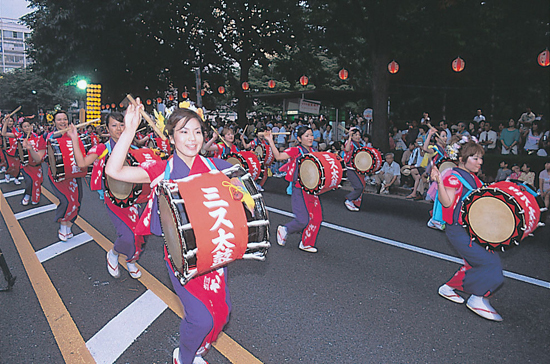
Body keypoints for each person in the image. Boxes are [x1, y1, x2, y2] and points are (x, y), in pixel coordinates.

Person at [105, 101, 234, 364]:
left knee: (221, 313)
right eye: (184, 131)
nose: (192, 138)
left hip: (215, 252)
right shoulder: (161, 169)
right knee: (200, 319)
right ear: (172, 136)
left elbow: (242, 188)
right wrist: (129, 130)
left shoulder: (216, 166)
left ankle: (197, 348)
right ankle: (183, 358)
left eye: (197, 131)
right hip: (181, 257)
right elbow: (114, 171)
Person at [431, 140, 504, 321]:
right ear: (462, 159)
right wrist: (439, 182)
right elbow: (447, 202)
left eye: (481, 158)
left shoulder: (474, 178)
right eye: (475, 158)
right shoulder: (453, 177)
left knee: (477, 263)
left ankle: (448, 288)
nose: (480, 162)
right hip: (458, 230)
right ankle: (477, 297)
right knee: (490, 263)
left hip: (471, 230)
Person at [67, 112, 144, 279]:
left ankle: (131, 260)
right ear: (107, 128)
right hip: (113, 199)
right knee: (127, 235)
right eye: (114, 125)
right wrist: (74, 138)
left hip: (133, 199)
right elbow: (82, 163)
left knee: (139, 234)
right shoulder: (103, 148)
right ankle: (114, 253)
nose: (118, 129)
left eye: (121, 125)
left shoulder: (134, 149)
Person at [264, 126, 321, 253]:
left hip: (311, 189)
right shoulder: (296, 150)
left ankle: (306, 243)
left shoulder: (314, 151)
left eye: (311, 135)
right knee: (302, 220)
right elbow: (278, 157)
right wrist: (270, 140)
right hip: (299, 189)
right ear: (299, 139)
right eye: (306, 135)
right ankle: (285, 229)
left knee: (316, 218)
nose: (310, 138)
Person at [33, 111, 84, 241]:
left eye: (65, 119)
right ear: (54, 122)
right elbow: (39, 157)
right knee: (66, 201)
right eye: (59, 119)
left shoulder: (74, 135)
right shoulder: (47, 136)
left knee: (76, 202)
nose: (63, 122)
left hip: (74, 173)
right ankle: (62, 224)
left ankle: (69, 225)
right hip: (58, 175)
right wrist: (29, 148)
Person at [15, 120, 46, 205]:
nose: (27, 128)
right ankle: (27, 195)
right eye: (25, 126)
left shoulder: (37, 137)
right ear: (21, 128)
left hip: (36, 165)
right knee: (29, 181)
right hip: (26, 165)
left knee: (38, 182)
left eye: (28, 126)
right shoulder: (20, 138)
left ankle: (34, 197)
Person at [343, 127, 367, 211]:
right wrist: (349, 137)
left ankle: (353, 202)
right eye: (355, 135)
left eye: (359, 135)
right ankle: (349, 199)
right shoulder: (350, 143)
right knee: (359, 187)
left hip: (358, 169)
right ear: (352, 136)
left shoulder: (360, 144)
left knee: (362, 186)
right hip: (351, 168)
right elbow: (347, 149)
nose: (358, 136)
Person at [1, 116, 22, 185]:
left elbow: (19, 136)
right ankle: (7, 174)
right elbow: (3, 133)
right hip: (7, 149)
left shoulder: (16, 129)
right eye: (8, 121)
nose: (10, 122)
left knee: (18, 165)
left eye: (11, 121)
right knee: (9, 164)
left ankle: (16, 178)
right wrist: (5, 123)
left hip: (16, 149)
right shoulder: (4, 129)